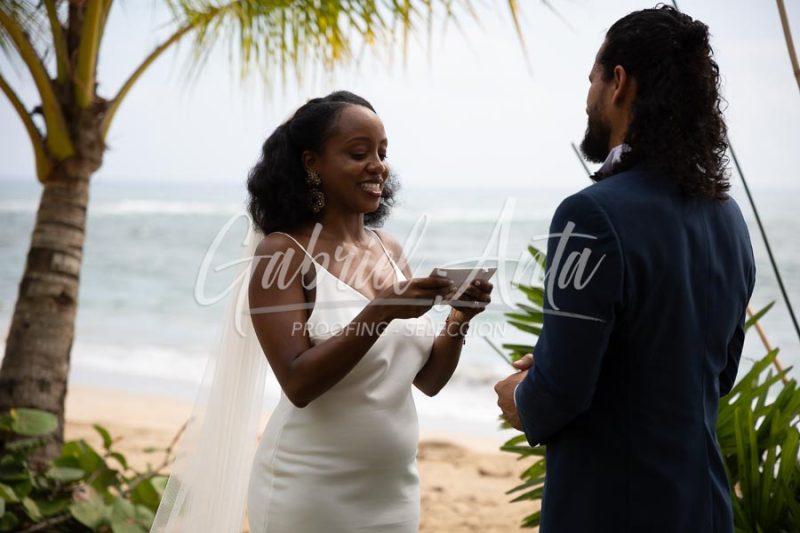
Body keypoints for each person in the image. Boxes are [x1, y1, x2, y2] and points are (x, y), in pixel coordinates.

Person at [494, 6, 755, 533]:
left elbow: (558, 396)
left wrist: (520, 393)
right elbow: (715, 371)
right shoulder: (728, 217)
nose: (587, 97)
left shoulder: (589, 214)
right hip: (703, 509)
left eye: (591, 79)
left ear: (618, 82)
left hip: (611, 510)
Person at [244, 91, 493, 533]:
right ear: (312, 163)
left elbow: (428, 380)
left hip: (394, 492)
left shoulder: (388, 249)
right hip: (310, 490)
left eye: (382, 153)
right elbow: (298, 383)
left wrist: (459, 319)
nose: (378, 166)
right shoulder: (283, 253)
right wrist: (381, 310)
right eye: (359, 153)